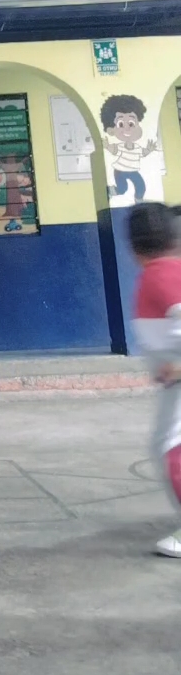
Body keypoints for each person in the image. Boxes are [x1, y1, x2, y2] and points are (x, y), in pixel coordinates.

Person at [129, 203, 181, 558]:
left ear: (133, 246)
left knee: (171, 447)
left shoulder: (161, 275)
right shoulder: (166, 272)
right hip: (173, 384)